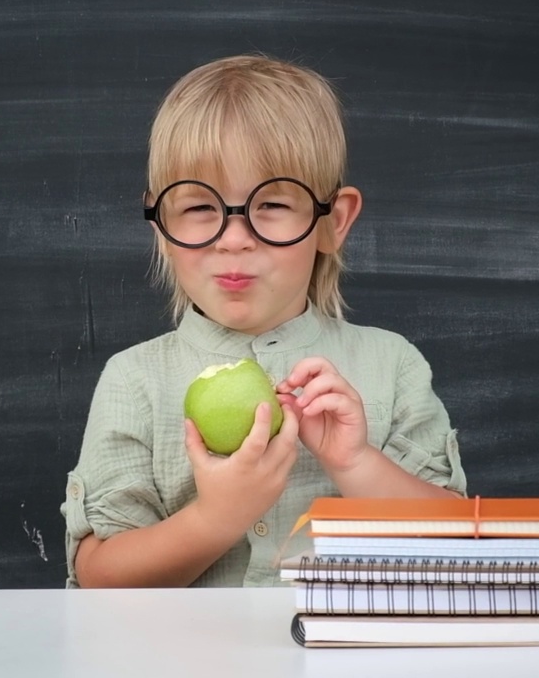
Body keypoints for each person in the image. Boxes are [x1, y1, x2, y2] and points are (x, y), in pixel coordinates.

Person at [61, 54, 467, 589]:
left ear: (333, 221)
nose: (234, 238)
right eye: (199, 208)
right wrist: (216, 518)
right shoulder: (133, 379)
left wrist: (356, 463)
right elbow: (99, 577)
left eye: (272, 203)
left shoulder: (391, 365)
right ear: (161, 224)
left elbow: (461, 547)